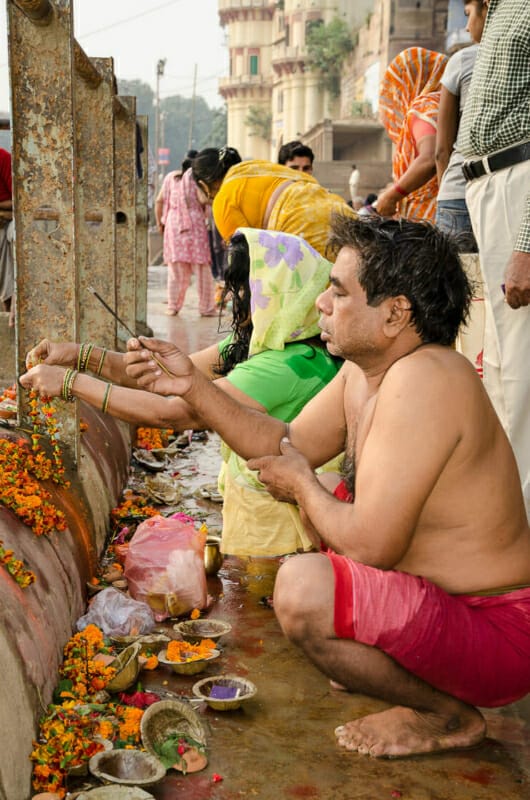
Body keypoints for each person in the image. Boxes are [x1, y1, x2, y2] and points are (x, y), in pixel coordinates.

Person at [117, 214, 530, 758]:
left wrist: (302, 487)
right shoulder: (366, 372)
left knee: (303, 587)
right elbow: (284, 440)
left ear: (394, 313)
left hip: (496, 635)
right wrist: (195, 387)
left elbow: (371, 544)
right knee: (331, 486)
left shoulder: (427, 378)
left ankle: (445, 713)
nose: (321, 305)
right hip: (448, 611)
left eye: (338, 292)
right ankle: (393, 667)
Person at [21, 229, 342, 558]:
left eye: (246, 288)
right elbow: (168, 372)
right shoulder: (276, 342)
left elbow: (173, 412)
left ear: (279, 294)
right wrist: (79, 355)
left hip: (280, 525)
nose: (236, 299)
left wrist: (70, 382)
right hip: (273, 506)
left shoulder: (289, 364)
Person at [458, 0, 530, 518]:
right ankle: (506, 511)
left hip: (518, 183)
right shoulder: (502, 7)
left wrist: (527, 241)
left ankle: (520, 517)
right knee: (502, 363)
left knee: (521, 363)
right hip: (490, 185)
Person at [193, 147, 355, 260]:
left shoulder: (223, 199)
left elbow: (249, 259)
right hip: (341, 211)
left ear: (204, 185)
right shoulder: (258, 167)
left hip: (303, 228)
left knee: (312, 301)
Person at [435, 0, 487, 248]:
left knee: (453, 284)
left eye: (468, 15)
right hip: (507, 191)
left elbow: (441, 150)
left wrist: (443, 193)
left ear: (487, 8)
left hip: (458, 192)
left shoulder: (463, 60)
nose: (467, 27)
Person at [376, 47, 448, 222]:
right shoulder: (452, 106)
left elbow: (429, 158)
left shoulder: (424, 107)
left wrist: (392, 195)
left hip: (431, 218)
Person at [157, 157, 216, 317]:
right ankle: (206, 308)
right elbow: (203, 199)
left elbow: (159, 200)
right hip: (194, 225)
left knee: (175, 269)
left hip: (173, 224)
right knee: (202, 268)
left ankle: (173, 306)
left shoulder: (170, 178)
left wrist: (159, 223)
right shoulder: (196, 179)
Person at [0, 147, 14, 322]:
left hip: (6, 224)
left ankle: (11, 311)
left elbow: (20, 200)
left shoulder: (3, 158)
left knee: (14, 233)